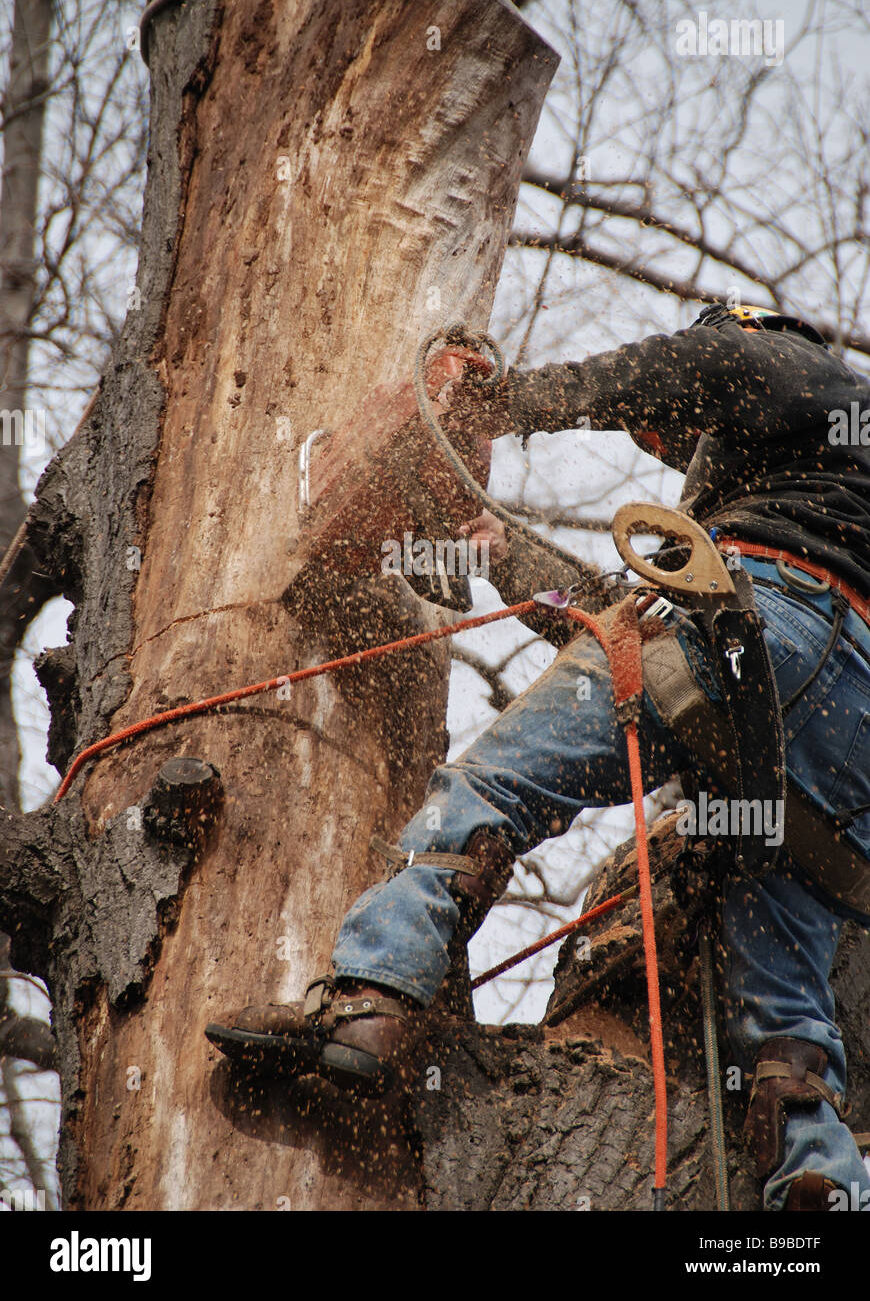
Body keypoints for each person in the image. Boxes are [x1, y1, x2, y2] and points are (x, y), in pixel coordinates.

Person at [206, 303, 870, 1211]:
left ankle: (371, 999)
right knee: (789, 1000)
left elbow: (705, 370)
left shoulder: (803, 376)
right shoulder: (828, 478)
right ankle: (818, 1177)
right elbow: (637, 646)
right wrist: (492, 549)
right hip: (844, 738)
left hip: (766, 628)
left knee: (491, 786)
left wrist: (507, 404)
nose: (681, 453)